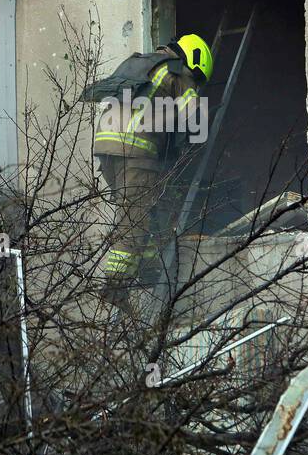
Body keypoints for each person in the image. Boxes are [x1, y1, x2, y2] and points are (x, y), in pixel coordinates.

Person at [85, 33, 214, 303]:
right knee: (134, 216)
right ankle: (116, 285)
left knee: (146, 208)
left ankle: (147, 267)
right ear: (196, 59)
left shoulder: (143, 64)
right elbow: (194, 116)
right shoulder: (178, 72)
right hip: (137, 150)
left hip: (107, 149)